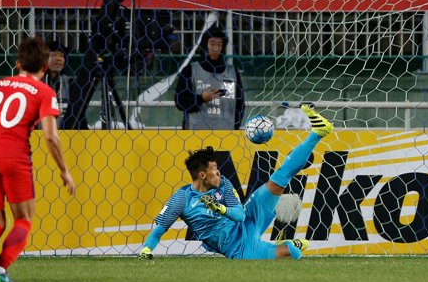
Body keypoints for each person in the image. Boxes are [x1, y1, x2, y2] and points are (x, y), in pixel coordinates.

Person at [138, 104, 334, 260]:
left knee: (280, 178)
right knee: (290, 253)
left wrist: (219, 208)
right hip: (240, 248)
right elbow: (160, 229)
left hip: (248, 219)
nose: (219, 172)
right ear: (202, 175)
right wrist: (146, 249)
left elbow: (240, 216)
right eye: (214, 170)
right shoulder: (182, 198)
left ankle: (318, 132)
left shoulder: (223, 184)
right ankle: (291, 245)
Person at [0, 36, 76, 282]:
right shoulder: (45, 91)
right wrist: (64, 171)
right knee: (23, 219)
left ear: (17, 64)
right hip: (14, 157)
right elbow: (50, 136)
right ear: (44, 67)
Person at [175, 27, 246, 131]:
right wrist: (201, 99)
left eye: (220, 44)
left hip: (225, 136)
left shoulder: (231, 73)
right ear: (205, 45)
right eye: (212, 44)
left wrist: (233, 128)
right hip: (195, 135)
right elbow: (180, 102)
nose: (216, 48)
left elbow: (239, 105)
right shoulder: (190, 70)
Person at [43, 41, 69, 120]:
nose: (58, 59)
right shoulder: (36, 83)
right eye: (53, 55)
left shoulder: (70, 83)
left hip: (65, 131)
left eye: (61, 56)